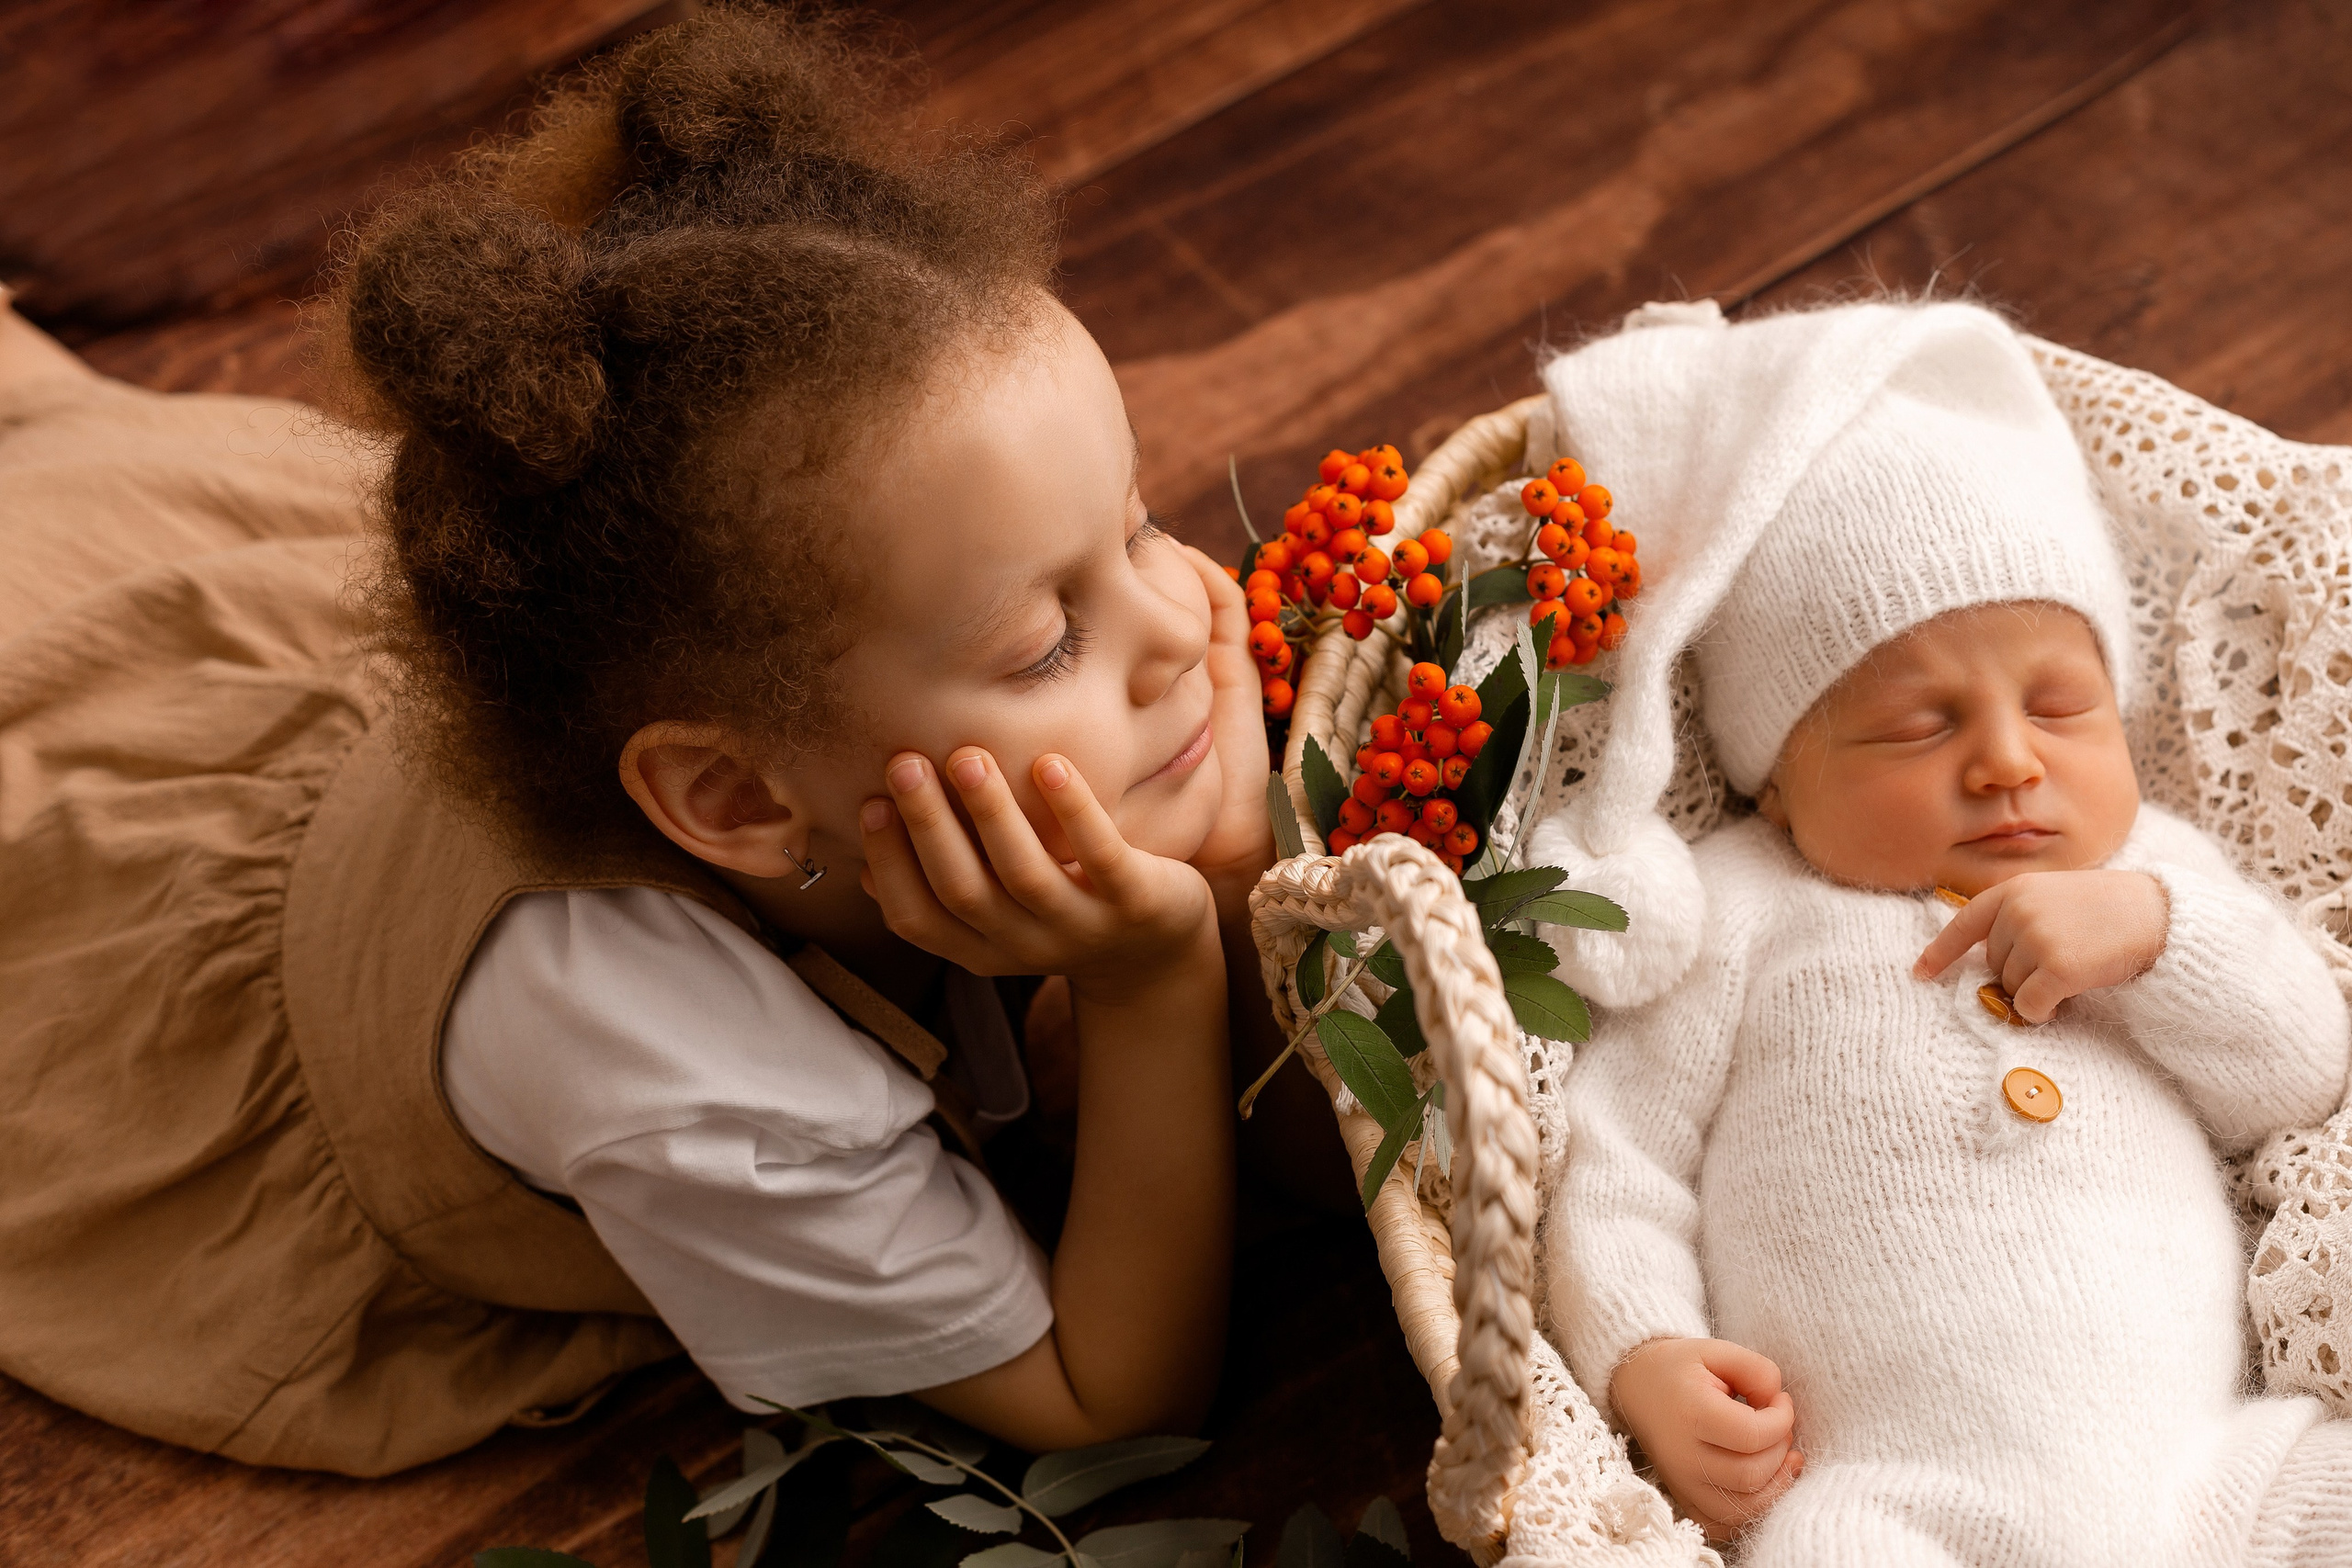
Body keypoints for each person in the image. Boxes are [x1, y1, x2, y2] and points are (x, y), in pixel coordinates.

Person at [0, 6, 1285, 1475]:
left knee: (53, 442)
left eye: (1138, 530)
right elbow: (1107, 1402)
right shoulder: (683, 1076)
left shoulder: (720, 671)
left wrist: (1237, 865)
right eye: (1047, 640)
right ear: (732, 794)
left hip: (285, 699)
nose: (1187, 627)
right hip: (124, 911)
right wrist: (1154, 976)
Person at [1521, 299, 2352, 1562]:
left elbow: (2297, 1068)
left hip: (2212, 1477)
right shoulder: (1738, 909)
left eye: (2065, 707)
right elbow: (1617, 1167)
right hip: (1895, 1497)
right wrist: (1647, 1360)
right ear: (1777, 775)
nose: (2009, 762)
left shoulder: (2148, 879)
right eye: (1921, 726)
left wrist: (2157, 934)